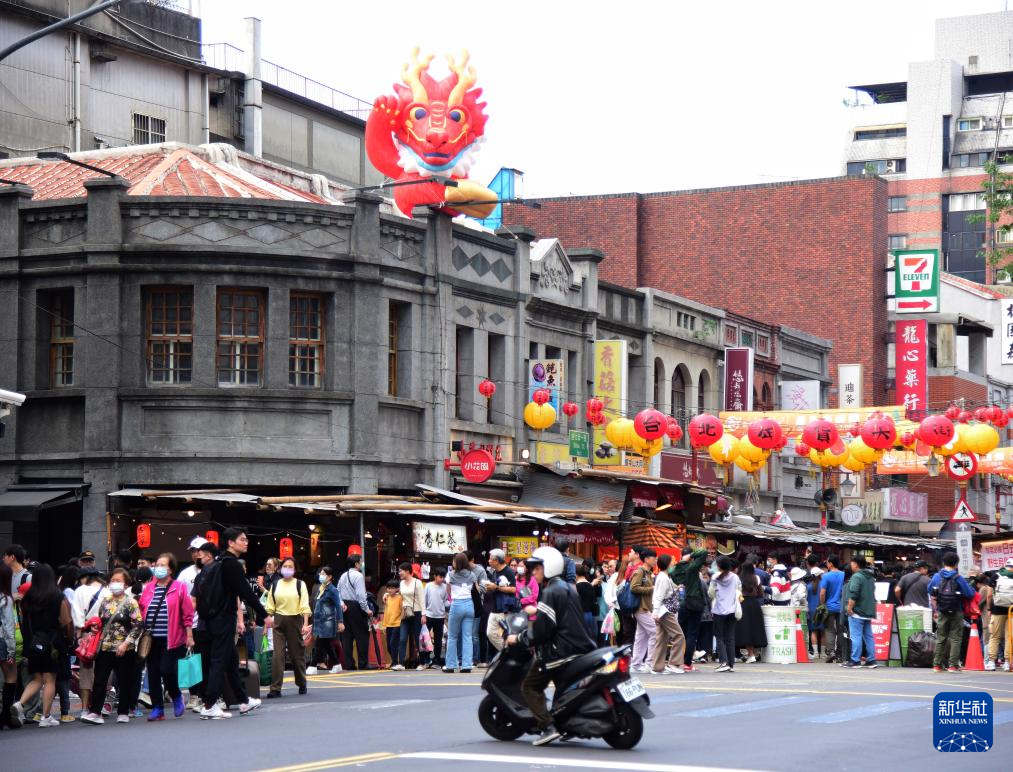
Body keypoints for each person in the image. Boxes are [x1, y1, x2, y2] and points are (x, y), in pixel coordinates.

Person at [506, 546, 594, 746]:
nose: (533, 573)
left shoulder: (550, 592)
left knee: (529, 687)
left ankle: (547, 726)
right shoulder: (568, 588)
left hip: (558, 653)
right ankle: (566, 724)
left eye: (536, 568)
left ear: (548, 568)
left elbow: (542, 630)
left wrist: (519, 639)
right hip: (579, 647)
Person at [196, 527, 266, 719]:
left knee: (230, 660)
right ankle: (209, 704)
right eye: (242, 539)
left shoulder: (216, 563)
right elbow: (246, 592)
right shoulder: (231, 564)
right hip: (223, 620)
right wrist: (264, 614)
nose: (246, 542)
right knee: (219, 661)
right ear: (230, 542)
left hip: (210, 620)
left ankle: (243, 701)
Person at [80, 568, 140, 725]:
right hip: (105, 647)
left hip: (124, 649)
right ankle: (95, 712)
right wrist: (94, 627)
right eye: (113, 580)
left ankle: (123, 711)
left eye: (119, 581)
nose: (115, 583)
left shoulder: (131, 602)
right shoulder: (105, 601)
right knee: (99, 680)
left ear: (126, 583)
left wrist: (127, 642)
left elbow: (138, 625)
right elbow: (101, 621)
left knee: (124, 680)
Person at [138, 552, 195, 720]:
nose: (158, 568)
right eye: (157, 564)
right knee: (153, 672)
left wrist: (189, 634)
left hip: (173, 638)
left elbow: (187, 613)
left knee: (167, 670)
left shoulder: (179, 587)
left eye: (163, 565)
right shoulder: (149, 588)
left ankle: (176, 696)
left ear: (171, 569)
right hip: (151, 638)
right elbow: (142, 609)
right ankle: (158, 708)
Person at [264, 556, 311, 697]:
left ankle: (302, 683)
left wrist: (305, 623)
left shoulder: (300, 584)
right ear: (280, 568)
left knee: (296, 655)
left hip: (295, 621)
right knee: (277, 656)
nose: (288, 569)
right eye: (285, 566)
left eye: (291, 567)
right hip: (278, 621)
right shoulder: (275, 585)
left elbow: (304, 605)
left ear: (295, 570)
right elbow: (270, 607)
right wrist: (266, 626)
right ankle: (275, 688)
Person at [927, 552, 975, 673]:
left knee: (941, 637)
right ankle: (953, 665)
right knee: (956, 638)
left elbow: (929, 590)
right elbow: (969, 594)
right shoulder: (958, 578)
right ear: (956, 564)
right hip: (956, 610)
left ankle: (937, 665)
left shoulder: (937, 576)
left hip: (942, 610)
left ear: (943, 562)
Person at [187, 541, 217, 712]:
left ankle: (213, 698)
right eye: (195, 551)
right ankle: (201, 697)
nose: (197, 554)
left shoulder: (218, 571)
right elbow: (191, 601)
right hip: (201, 625)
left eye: (201, 551)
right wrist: (188, 627)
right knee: (201, 662)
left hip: (218, 624)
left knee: (217, 662)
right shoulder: (193, 575)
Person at [671, 546, 709, 671]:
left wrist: (683, 560)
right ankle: (687, 663)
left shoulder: (676, 569)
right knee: (692, 634)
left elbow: (673, 575)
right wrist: (692, 556)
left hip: (683, 603)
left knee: (680, 633)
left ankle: (676, 660)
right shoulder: (692, 567)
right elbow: (703, 552)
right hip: (696, 602)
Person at [651, 553, 685, 674]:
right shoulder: (664, 578)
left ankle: (657, 667)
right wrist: (655, 612)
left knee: (662, 638)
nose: (674, 563)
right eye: (672, 561)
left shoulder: (663, 576)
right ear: (667, 563)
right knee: (678, 635)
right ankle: (674, 663)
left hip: (662, 611)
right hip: (665, 611)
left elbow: (661, 594)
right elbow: (659, 596)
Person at [337, 554, 373, 671]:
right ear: (357, 563)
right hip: (356, 607)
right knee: (362, 636)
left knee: (346, 637)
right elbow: (361, 596)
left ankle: (349, 664)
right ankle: (363, 663)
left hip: (345, 607)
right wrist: (367, 610)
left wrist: (342, 603)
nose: (361, 564)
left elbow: (337, 592)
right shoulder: (358, 576)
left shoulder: (343, 575)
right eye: (360, 562)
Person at [308, 565, 345, 675]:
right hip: (320, 621)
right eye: (320, 574)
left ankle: (313, 665)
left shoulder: (332, 590)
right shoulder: (321, 588)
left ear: (329, 577)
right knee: (326, 644)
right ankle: (337, 665)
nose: (321, 576)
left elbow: (338, 606)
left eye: (323, 574)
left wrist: (340, 621)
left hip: (328, 622)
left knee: (320, 643)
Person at [842, 556, 877, 669]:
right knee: (868, 636)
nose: (851, 565)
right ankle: (871, 660)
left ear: (856, 564)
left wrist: (849, 608)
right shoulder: (870, 577)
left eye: (852, 563)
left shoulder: (857, 576)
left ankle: (855, 660)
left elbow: (854, 593)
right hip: (868, 611)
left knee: (855, 636)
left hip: (857, 611)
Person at [444, 552, 476, 673]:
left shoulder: (450, 574)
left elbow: (448, 591)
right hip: (469, 604)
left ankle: (451, 665)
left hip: (456, 604)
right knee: (467, 636)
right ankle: (467, 665)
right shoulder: (472, 574)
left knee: (452, 636)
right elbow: (474, 588)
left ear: (456, 563)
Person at [709, 556, 741, 673]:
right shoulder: (735, 577)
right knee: (730, 637)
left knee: (719, 636)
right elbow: (739, 590)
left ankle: (723, 662)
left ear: (719, 566)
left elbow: (711, 593)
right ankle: (730, 663)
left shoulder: (715, 577)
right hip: (732, 610)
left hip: (718, 610)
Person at [630, 548, 657, 673]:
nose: (656, 560)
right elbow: (634, 588)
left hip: (645, 607)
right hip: (640, 608)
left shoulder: (648, 572)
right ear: (646, 559)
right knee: (655, 633)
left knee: (641, 637)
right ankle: (650, 663)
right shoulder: (640, 572)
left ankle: (636, 664)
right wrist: (651, 588)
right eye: (654, 558)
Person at [484, 549, 517, 652]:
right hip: (495, 608)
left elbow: (513, 589)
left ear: (496, 561)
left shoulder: (509, 571)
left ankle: (509, 654)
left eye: (490, 558)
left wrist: (497, 587)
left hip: (505, 609)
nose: (489, 560)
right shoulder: (495, 572)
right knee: (490, 633)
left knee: (506, 633)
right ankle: (507, 652)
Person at [396, 562, 426, 670]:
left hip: (416, 612)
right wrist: (387, 594)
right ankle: (401, 663)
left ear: (408, 571)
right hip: (405, 613)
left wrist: (423, 614)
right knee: (403, 638)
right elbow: (399, 595)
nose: (399, 573)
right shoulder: (401, 583)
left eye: (401, 571)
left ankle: (422, 663)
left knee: (417, 638)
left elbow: (422, 599)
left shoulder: (417, 582)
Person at [735, 561, 767, 663]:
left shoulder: (739, 578)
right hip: (754, 604)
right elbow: (761, 593)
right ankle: (754, 653)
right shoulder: (756, 578)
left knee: (745, 630)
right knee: (755, 629)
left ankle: (750, 654)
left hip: (742, 603)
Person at [819, 555, 847, 663]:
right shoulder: (844, 575)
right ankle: (840, 654)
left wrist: (823, 604)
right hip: (841, 606)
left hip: (829, 607)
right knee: (841, 630)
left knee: (829, 630)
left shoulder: (826, 576)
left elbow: (822, 593)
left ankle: (830, 652)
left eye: (827, 562)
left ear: (830, 563)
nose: (826, 564)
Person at [0, 564, 18, 729]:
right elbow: (8, 626)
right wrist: (12, 650)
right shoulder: (5, 599)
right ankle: (5, 714)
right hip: (2, 641)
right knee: (11, 677)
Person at [987, 558, 1013, 671]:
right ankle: (1008, 662)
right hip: (1011, 610)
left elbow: (988, 595)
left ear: (1005, 565)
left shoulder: (996, 575)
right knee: (1009, 637)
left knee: (995, 636)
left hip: (997, 610)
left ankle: (992, 662)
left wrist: (989, 608)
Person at [424, 567, 448, 668]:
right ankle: (425, 659)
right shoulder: (428, 586)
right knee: (426, 638)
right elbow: (424, 600)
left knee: (438, 639)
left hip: (440, 616)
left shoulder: (445, 587)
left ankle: (436, 659)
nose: (442, 579)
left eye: (443, 577)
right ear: (435, 576)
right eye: (440, 577)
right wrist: (423, 614)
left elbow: (446, 600)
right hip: (429, 615)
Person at [805, 558, 824, 658]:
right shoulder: (823, 585)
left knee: (813, 631)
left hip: (811, 610)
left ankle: (816, 653)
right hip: (822, 609)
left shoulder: (808, 586)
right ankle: (824, 653)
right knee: (823, 631)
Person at [381, 579, 403, 668]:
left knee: (393, 643)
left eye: (392, 588)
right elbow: (386, 609)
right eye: (388, 588)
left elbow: (402, 610)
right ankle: (394, 661)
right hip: (388, 624)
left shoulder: (400, 598)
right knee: (389, 646)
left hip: (397, 624)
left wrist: (401, 620)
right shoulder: (387, 597)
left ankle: (394, 662)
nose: (390, 590)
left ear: (397, 589)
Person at [575, 565, 598, 641]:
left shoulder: (576, 587)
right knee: (591, 639)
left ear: (576, 574)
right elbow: (594, 602)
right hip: (590, 616)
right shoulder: (590, 585)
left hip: (580, 616)